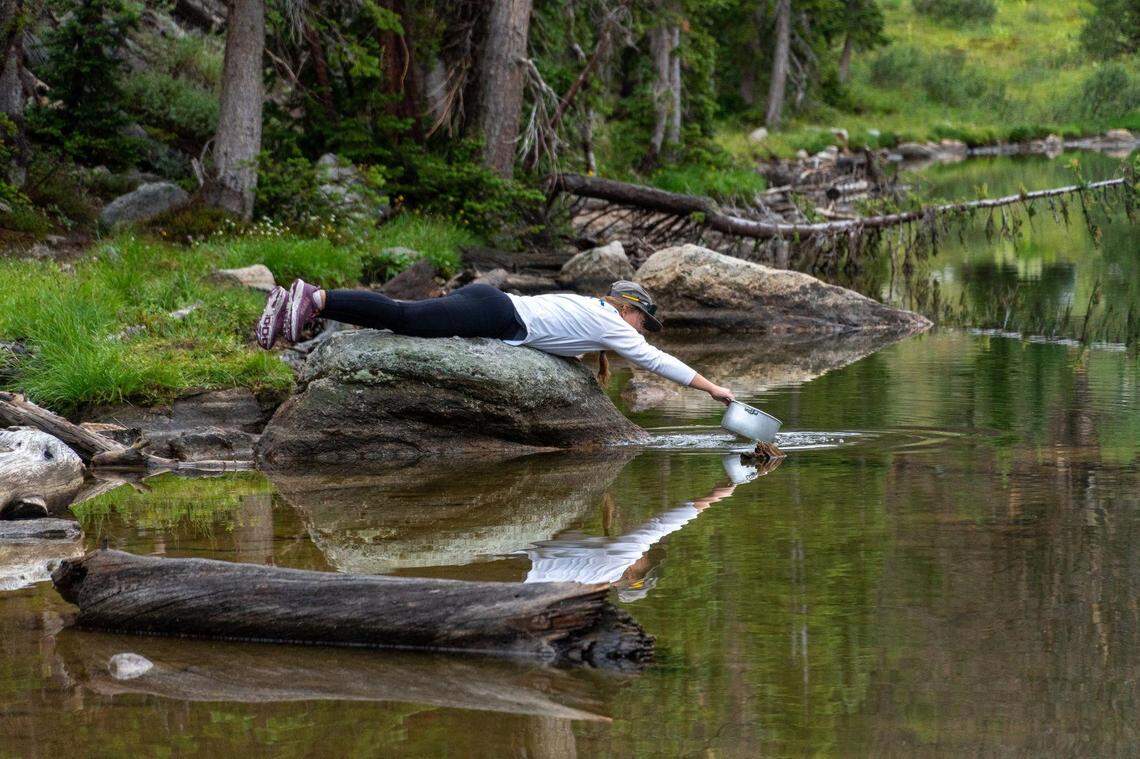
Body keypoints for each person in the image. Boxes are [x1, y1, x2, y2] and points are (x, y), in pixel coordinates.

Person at [256, 277, 736, 404]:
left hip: (493, 304)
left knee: (408, 317)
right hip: (494, 311)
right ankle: (314, 298)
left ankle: (288, 309)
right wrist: (714, 389)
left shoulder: (597, 311)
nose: (640, 332)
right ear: (628, 309)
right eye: (642, 322)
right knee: (404, 318)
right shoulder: (611, 323)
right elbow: (658, 362)